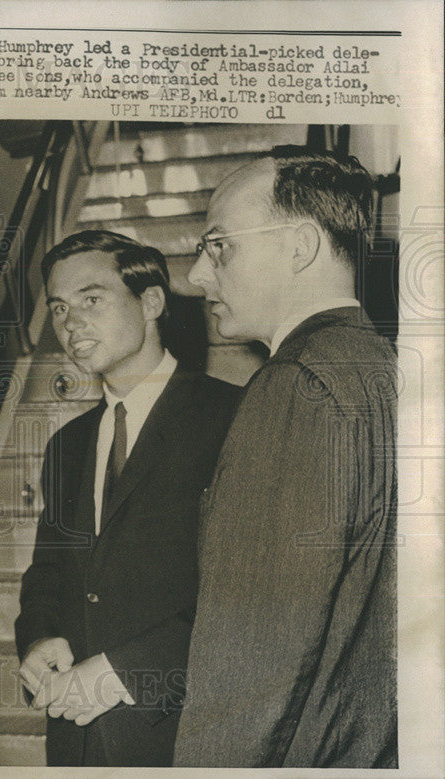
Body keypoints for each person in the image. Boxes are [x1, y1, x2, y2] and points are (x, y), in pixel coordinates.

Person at [174, 146, 397, 767]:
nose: (196, 274)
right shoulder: (388, 370)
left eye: (219, 246)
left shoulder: (295, 388)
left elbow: (251, 670)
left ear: (300, 247)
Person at [14, 230, 241, 766]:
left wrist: (127, 672)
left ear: (152, 301)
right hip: (79, 745)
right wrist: (37, 637)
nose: (70, 324)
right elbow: (47, 573)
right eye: (59, 308)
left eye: (91, 299)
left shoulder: (233, 418)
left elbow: (251, 598)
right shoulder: (65, 445)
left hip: (185, 739)